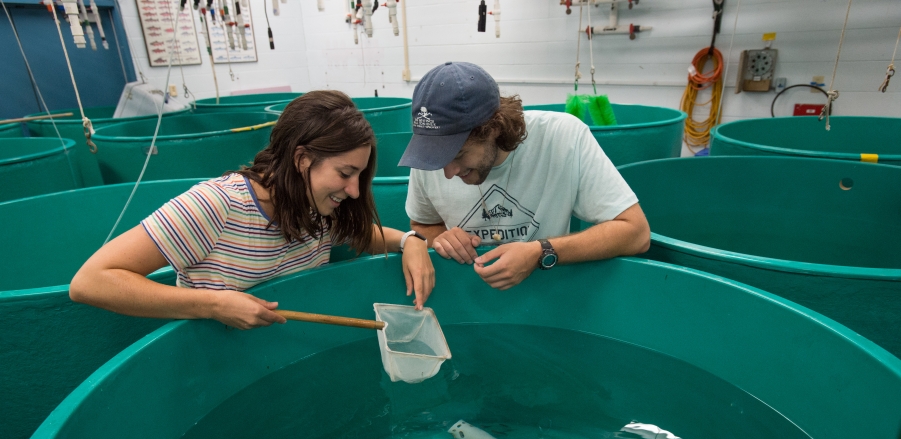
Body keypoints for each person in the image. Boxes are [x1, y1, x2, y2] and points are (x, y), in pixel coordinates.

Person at [70, 90, 434, 329]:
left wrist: (409, 241)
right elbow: (90, 282)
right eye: (345, 173)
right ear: (303, 159)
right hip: (213, 367)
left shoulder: (315, 209)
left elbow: (360, 235)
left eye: (359, 176)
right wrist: (212, 305)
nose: (354, 191)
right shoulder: (219, 204)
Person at [399, 62, 651, 290]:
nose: (447, 172)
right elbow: (423, 224)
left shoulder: (563, 138)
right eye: (436, 158)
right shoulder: (429, 162)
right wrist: (440, 238)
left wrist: (540, 252)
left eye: (459, 154)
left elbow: (636, 233)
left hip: (546, 297)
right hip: (471, 298)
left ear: (493, 129)